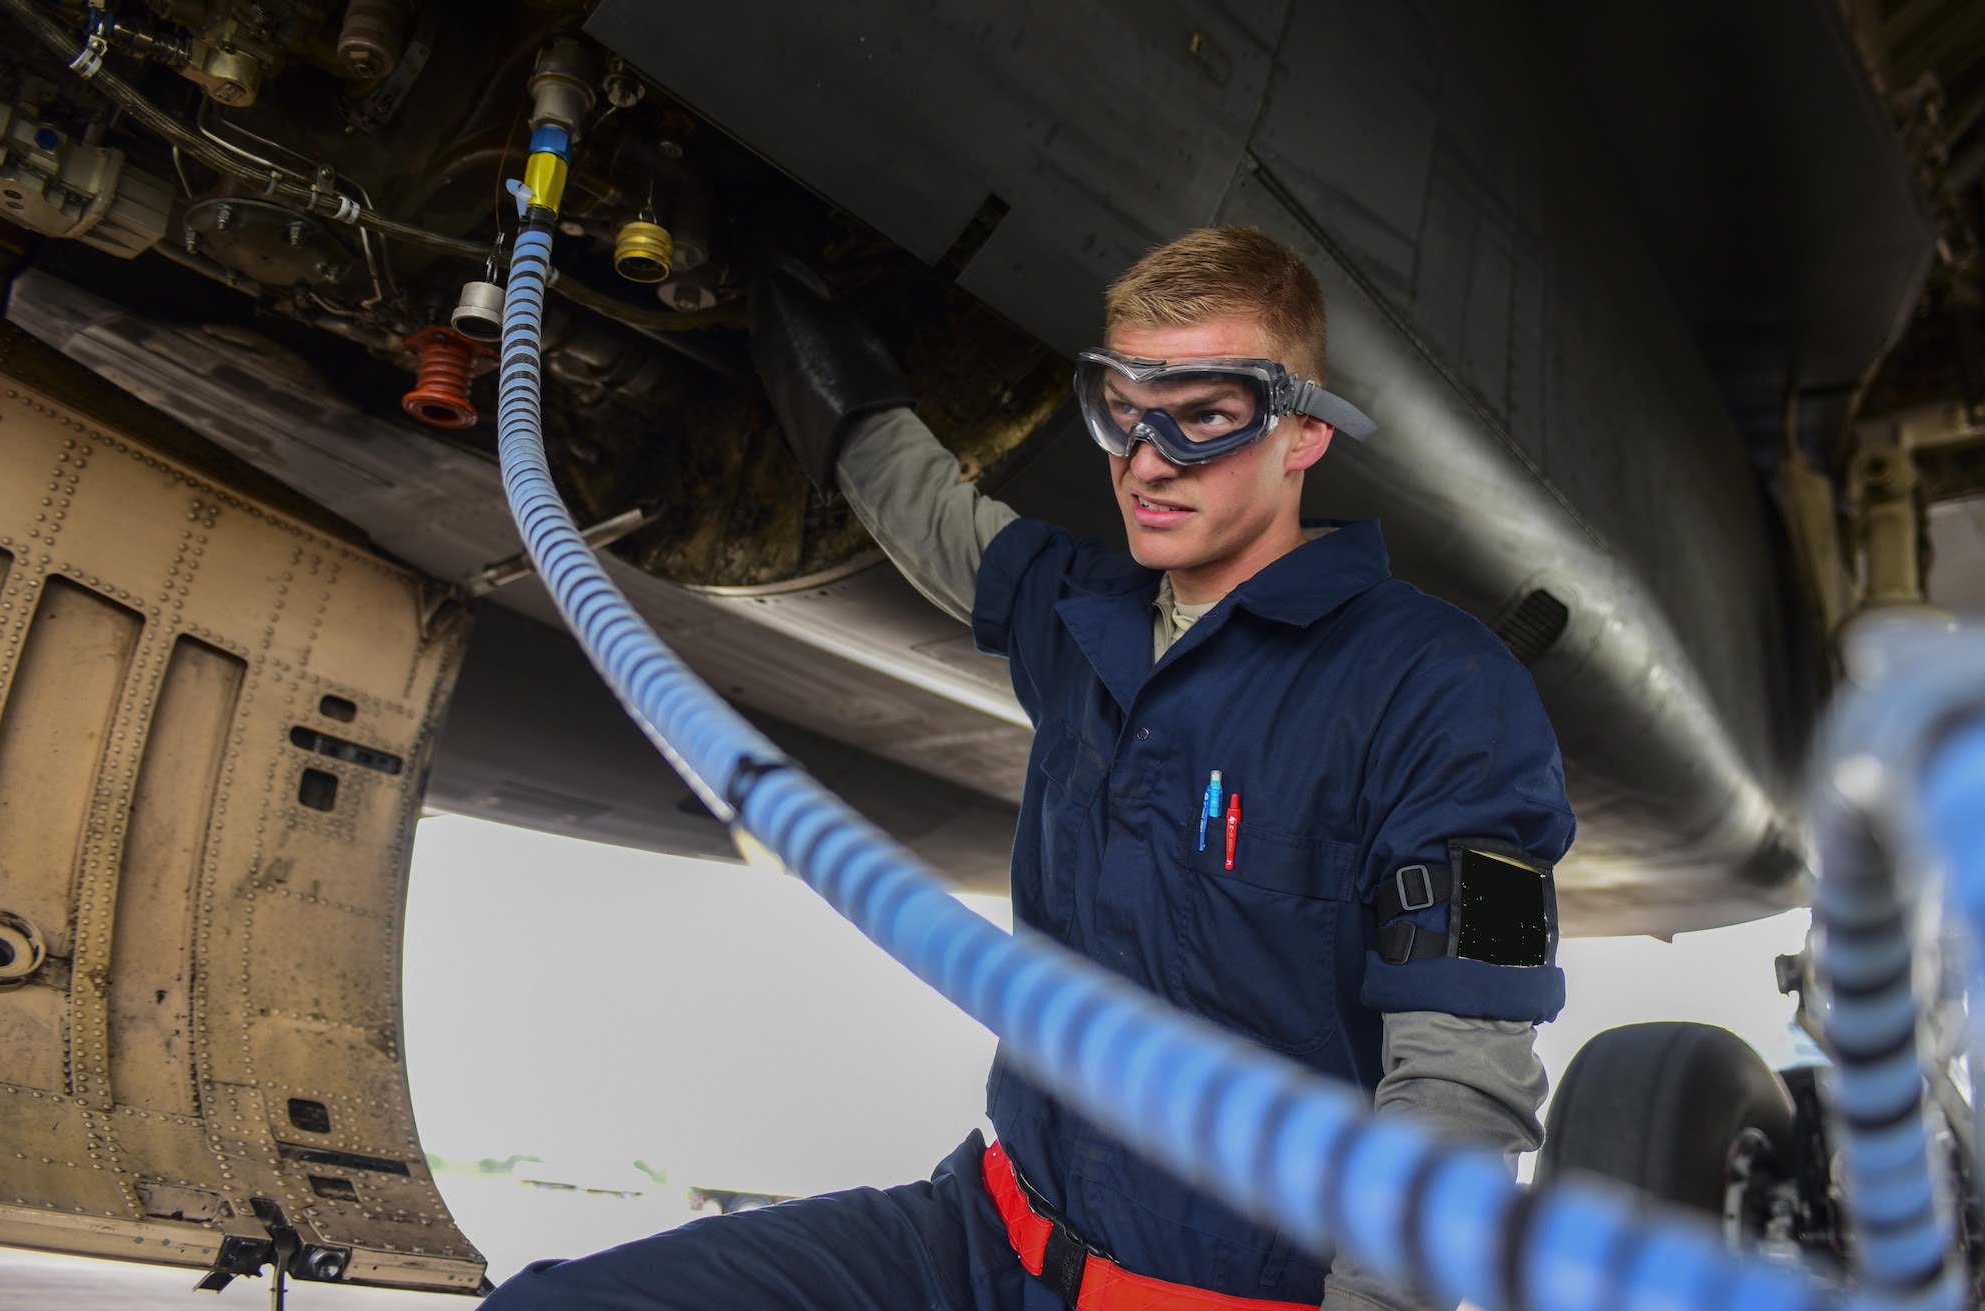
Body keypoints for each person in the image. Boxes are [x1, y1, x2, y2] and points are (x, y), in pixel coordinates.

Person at [484, 225, 1575, 1311]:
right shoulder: (1081, 614)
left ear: (1301, 436)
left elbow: (1457, 1086)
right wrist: (783, 309)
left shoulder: (1436, 688)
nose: (1146, 462)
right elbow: (924, 510)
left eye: (1203, 416)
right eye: (1123, 411)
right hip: (983, 1239)